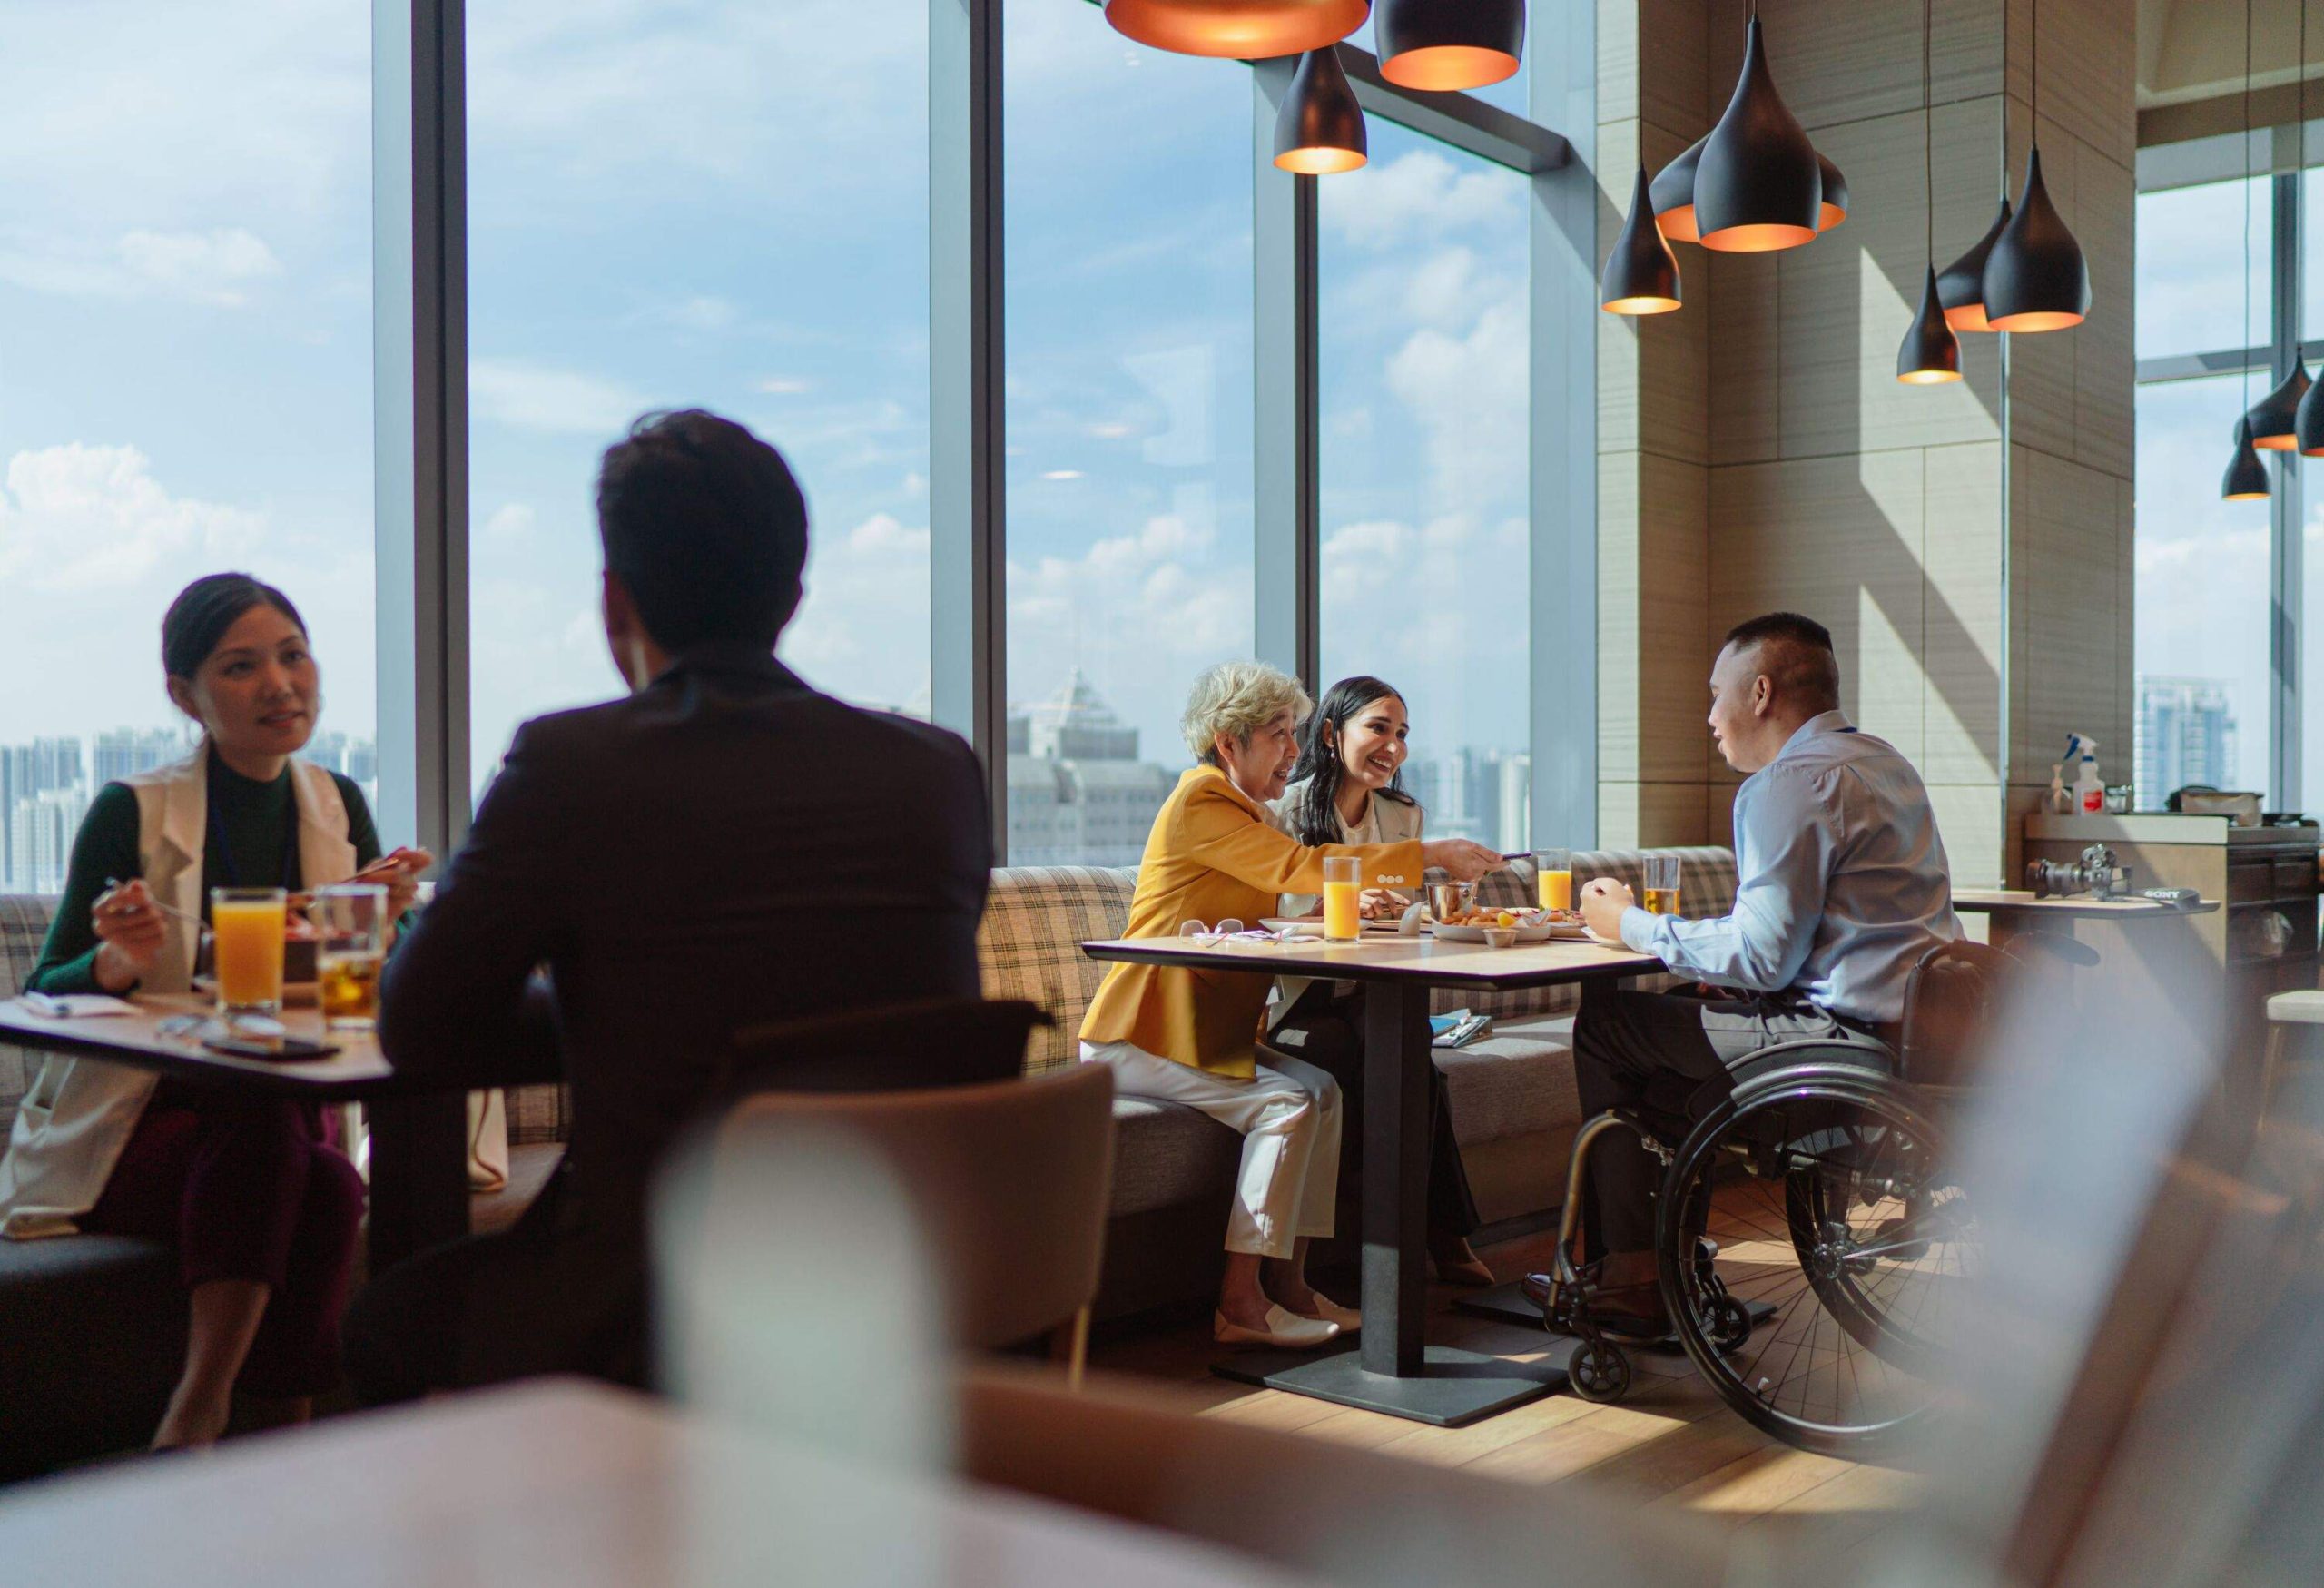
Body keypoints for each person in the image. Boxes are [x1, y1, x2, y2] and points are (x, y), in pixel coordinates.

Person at [342, 409, 992, 1402]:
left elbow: (421, 1025)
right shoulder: (939, 772)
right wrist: (642, 1016)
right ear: (794, 591)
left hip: (655, 1301)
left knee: (391, 1321)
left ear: (614, 599)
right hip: (904, 1274)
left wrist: (621, 1019)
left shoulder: (572, 765)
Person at [0, 574, 429, 1447]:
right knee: (307, 1166)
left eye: (293, 655)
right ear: (184, 696)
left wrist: (379, 924)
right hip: (138, 1128)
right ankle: (233, 1413)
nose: (279, 683)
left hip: (284, 1122)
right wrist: (115, 960)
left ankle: (209, 1424)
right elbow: (47, 985)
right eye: (241, 667)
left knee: (318, 1171)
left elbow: (362, 989)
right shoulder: (133, 810)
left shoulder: (341, 805)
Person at [1521, 612, 1960, 1337]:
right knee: (1679, 1023)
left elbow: (1762, 955)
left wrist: (1627, 923)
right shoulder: (1885, 764)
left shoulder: (1789, 782)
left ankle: (1634, 1274)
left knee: (1608, 1026)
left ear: (1760, 692)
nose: (1709, 716)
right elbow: (1833, 932)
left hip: (1835, 1044)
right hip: (1911, 1037)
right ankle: (1672, 1257)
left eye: (1716, 693)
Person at [1079, 662, 1502, 1350]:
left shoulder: (1248, 812)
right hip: (1141, 1033)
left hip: (1199, 1030)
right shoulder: (1201, 802)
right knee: (1288, 1102)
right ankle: (1239, 1299)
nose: (1291, 751)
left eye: (1293, 734)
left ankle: (1291, 1283)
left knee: (1324, 1091)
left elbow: (1275, 908)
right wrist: (1428, 854)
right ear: (1228, 743)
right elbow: (1303, 871)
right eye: (1278, 735)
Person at [1267, 675, 1492, 1287]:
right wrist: (1327, 909)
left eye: (1401, 732)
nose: (1393, 745)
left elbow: (1411, 913)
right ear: (1333, 735)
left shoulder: (1403, 814)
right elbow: (1272, 913)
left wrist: (1404, 909)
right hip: (1301, 995)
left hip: (1374, 987)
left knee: (1406, 1055)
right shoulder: (1285, 809)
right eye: (1378, 728)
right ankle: (1426, 1239)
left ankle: (1392, 1247)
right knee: (1356, 1055)